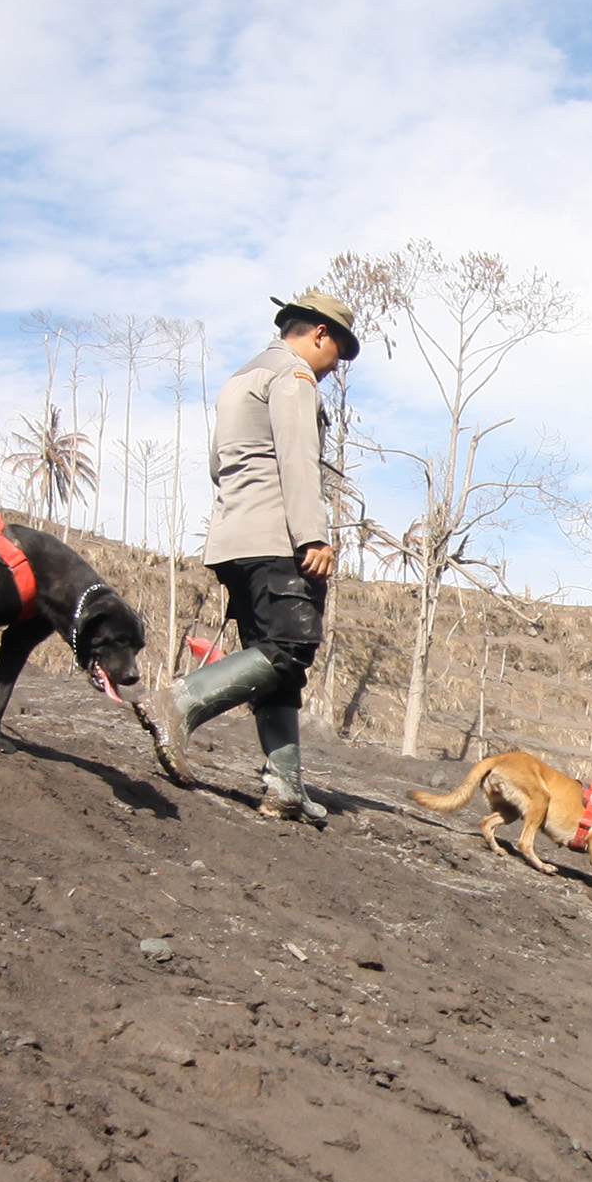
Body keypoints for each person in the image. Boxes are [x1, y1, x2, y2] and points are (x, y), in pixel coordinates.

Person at [167, 291, 361, 821]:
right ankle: (179, 702)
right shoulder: (292, 376)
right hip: (277, 537)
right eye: (336, 353)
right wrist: (313, 536)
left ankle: (285, 786)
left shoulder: (241, 378)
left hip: (234, 537)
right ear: (319, 333)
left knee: (275, 663)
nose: (333, 368)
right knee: (289, 647)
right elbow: (298, 459)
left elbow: (218, 465)